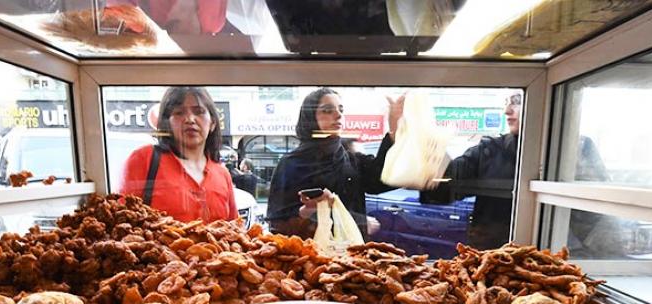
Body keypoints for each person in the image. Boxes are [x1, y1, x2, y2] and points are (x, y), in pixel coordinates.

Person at [266, 87, 402, 239]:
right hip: (307, 257)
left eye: (340, 109)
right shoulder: (290, 164)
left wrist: (395, 128)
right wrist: (307, 212)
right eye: (327, 110)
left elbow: (383, 179)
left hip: (350, 256)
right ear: (310, 117)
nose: (338, 115)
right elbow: (278, 223)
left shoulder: (351, 161)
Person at [120, 86, 238, 223]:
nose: (190, 119)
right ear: (167, 123)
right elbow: (123, 220)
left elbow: (234, 229)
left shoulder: (222, 174)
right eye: (179, 112)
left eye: (198, 112)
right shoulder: (144, 159)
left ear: (212, 123)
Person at [420, 93, 523, 250]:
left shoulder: (565, 158)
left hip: (544, 255)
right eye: (506, 102)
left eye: (516, 102)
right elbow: (443, 188)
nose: (507, 110)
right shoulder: (490, 151)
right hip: (491, 256)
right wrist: (431, 161)